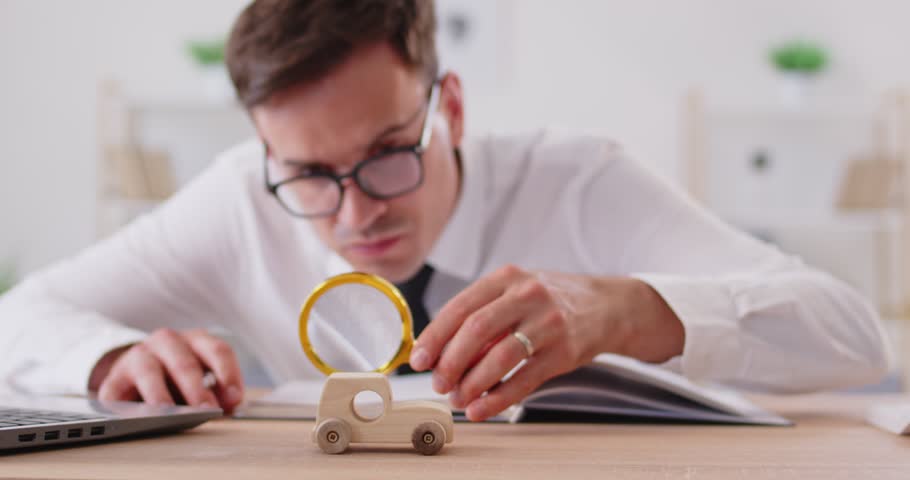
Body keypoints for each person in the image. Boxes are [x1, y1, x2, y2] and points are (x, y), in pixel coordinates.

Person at [0, 0, 891, 421]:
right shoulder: (242, 197)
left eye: (389, 154)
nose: (354, 214)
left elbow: (856, 340)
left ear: (451, 109)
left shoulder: (577, 180)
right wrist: (112, 352)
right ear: (267, 153)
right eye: (308, 173)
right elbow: (18, 318)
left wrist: (621, 309)